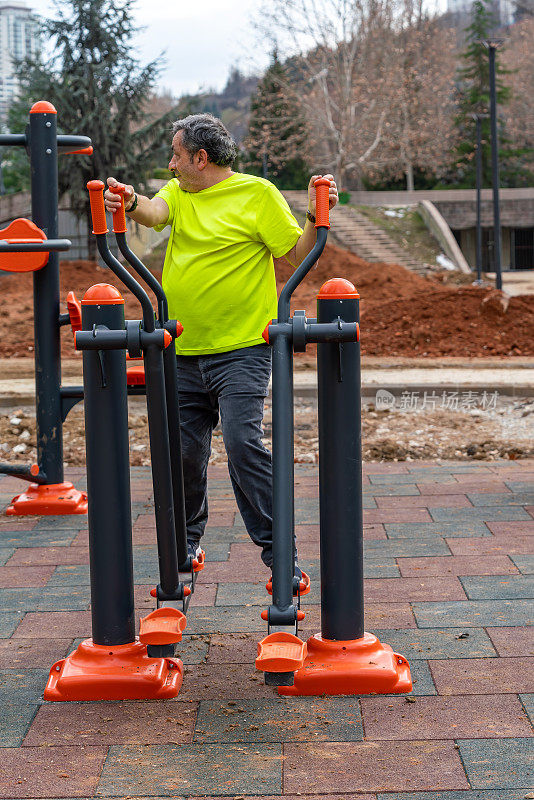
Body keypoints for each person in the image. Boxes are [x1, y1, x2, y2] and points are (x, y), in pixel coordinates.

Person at [104, 113, 338, 576]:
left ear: (200, 158)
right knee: (184, 453)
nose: (170, 164)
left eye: (175, 155)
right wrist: (130, 200)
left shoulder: (257, 194)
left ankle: (281, 554)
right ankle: (185, 544)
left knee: (243, 443)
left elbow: (293, 254)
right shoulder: (179, 194)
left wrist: (316, 214)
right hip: (183, 349)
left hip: (243, 349)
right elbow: (152, 214)